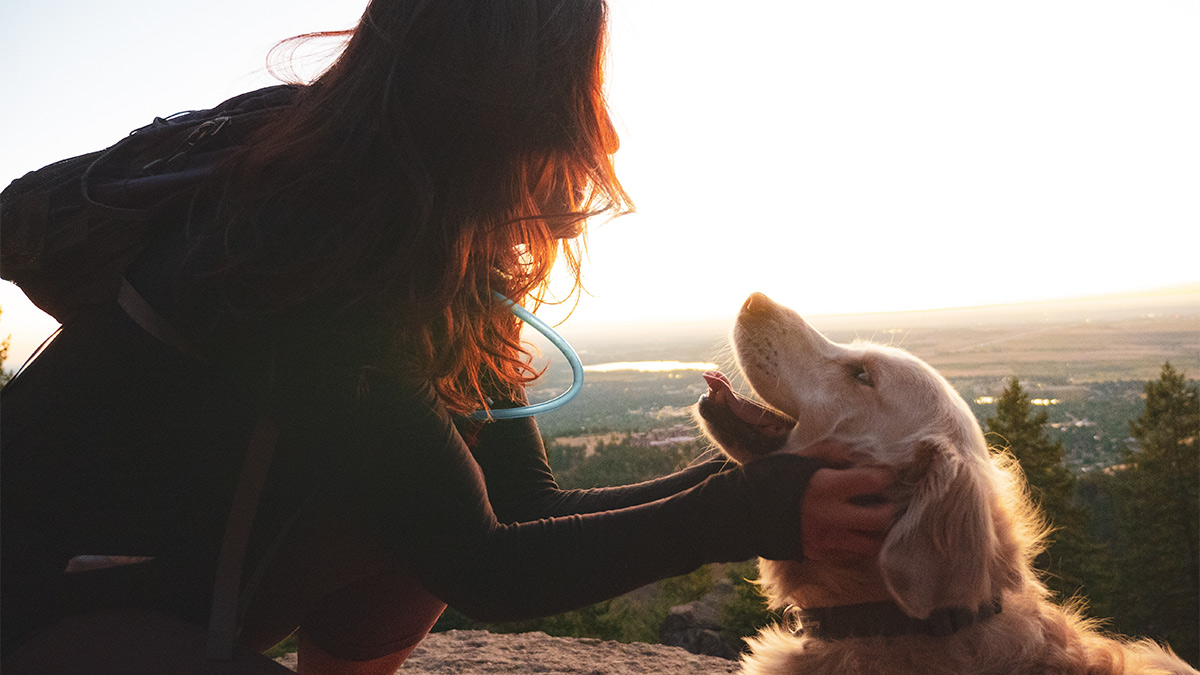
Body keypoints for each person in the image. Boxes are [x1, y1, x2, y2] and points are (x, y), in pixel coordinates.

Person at [0, 1, 896, 672]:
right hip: (42, 598)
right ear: (502, 99)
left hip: (183, 576)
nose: (600, 132)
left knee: (430, 508)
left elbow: (519, 509)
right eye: (573, 93)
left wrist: (757, 475)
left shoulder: (431, 236)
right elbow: (485, 567)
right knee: (432, 536)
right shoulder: (301, 240)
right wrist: (750, 510)